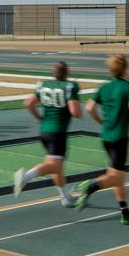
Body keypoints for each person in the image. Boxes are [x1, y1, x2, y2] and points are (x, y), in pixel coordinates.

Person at [76, 53, 129, 224]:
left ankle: (125, 212)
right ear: (125, 69)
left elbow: (89, 108)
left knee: (116, 176)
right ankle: (90, 186)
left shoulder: (104, 87)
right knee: (117, 177)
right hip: (120, 138)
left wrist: (101, 121)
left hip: (106, 136)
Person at [13, 61, 80, 206]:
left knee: (57, 166)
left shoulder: (44, 85)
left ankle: (66, 197)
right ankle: (27, 176)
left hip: (44, 131)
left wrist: (38, 118)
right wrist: (77, 110)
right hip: (58, 133)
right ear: (67, 73)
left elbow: (28, 103)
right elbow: (75, 111)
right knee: (54, 166)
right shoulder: (70, 87)